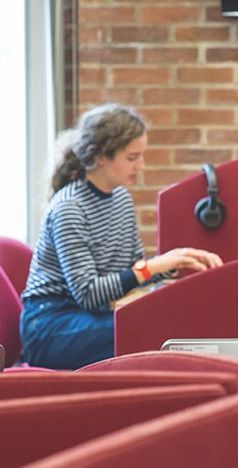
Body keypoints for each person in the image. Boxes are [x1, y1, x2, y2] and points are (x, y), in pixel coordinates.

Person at [21, 103, 223, 369]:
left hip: (92, 315)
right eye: (131, 158)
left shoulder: (121, 200)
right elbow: (90, 294)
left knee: (169, 312)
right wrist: (157, 266)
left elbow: (132, 275)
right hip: (51, 325)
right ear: (101, 157)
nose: (141, 166)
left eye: (141, 156)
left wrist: (176, 265)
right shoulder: (68, 207)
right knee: (149, 327)